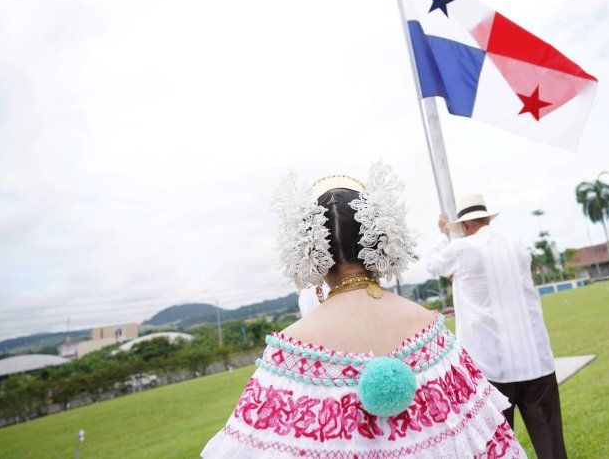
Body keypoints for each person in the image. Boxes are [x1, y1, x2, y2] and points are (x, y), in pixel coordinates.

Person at [202, 165, 525, 458]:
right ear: (379, 241)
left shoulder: (287, 350)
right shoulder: (430, 326)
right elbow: (485, 441)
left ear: (310, 251)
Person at [426, 194, 566, 459]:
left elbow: (434, 263)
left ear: (465, 226)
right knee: (552, 444)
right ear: (487, 218)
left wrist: (443, 234)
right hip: (536, 358)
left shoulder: (462, 248)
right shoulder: (517, 244)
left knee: (497, 447)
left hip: (492, 365)